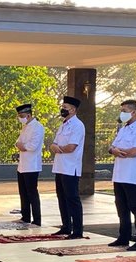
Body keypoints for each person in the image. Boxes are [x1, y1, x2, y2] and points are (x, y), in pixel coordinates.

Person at [107, 100, 136, 251]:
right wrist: (115, 151)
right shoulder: (123, 129)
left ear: (133, 112)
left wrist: (119, 151)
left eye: (124, 110)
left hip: (132, 174)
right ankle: (123, 237)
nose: (122, 113)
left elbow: (134, 152)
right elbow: (112, 147)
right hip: (119, 173)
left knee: (135, 207)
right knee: (121, 207)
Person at [50, 96, 85, 239]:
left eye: (65, 107)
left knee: (72, 199)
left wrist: (59, 148)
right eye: (62, 107)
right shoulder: (64, 124)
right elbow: (53, 144)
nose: (62, 109)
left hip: (71, 167)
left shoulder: (78, 125)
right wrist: (57, 147)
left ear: (73, 109)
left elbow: (71, 147)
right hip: (60, 166)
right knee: (62, 198)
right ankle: (66, 226)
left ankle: (77, 230)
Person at [15, 104, 44, 226]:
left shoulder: (38, 127)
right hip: (22, 165)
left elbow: (33, 145)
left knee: (32, 192)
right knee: (23, 192)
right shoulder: (25, 127)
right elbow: (17, 142)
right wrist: (21, 145)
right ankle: (25, 216)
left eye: (22, 116)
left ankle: (36, 219)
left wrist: (23, 146)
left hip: (32, 165)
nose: (20, 118)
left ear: (28, 115)